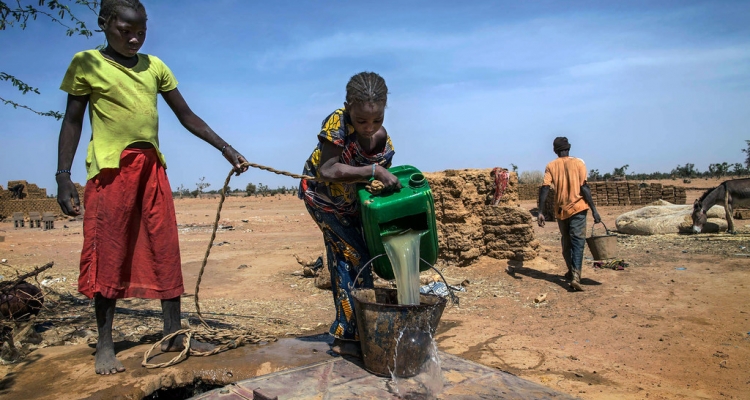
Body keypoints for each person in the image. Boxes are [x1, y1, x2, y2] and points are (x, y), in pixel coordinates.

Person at [55, 0, 248, 375]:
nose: (134, 38)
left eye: (141, 30)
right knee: (109, 252)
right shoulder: (87, 64)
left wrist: (227, 149)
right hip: (111, 171)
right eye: (125, 30)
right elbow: (72, 120)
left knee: (164, 247)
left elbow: (186, 115)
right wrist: (64, 175)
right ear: (103, 24)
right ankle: (106, 344)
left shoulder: (154, 66)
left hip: (151, 168)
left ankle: (174, 333)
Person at [299, 72, 401, 357]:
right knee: (349, 256)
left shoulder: (384, 143)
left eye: (377, 119)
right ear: (348, 108)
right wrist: (373, 171)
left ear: (384, 109)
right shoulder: (336, 123)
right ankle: (347, 338)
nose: (369, 127)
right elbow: (329, 170)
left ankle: (359, 332)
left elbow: (380, 180)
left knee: (362, 257)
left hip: (352, 204)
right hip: (322, 197)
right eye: (361, 121)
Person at [537, 137, 601, 291]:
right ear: (569, 148)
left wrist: (540, 211)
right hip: (578, 208)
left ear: (555, 150)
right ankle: (576, 276)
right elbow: (584, 188)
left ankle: (571, 271)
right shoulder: (579, 163)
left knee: (566, 242)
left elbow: (545, 188)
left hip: (561, 210)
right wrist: (594, 209)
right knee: (578, 242)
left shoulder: (551, 165)